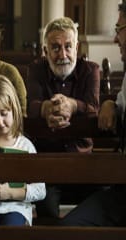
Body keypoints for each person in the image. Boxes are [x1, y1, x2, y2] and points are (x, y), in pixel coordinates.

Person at [60, 1, 126, 226]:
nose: (115, 39)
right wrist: (110, 105)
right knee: (68, 228)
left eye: (119, 30)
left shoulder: (91, 71)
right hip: (121, 192)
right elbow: (119, 102)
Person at [26, 17, 100, 219]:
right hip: (47, 164)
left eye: (68, 47)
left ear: (76, 47)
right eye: (56, 48)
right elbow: (30, 106)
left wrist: (73, 105)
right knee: (47, 215)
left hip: (82, 162)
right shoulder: (36, 69)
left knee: (94, 214)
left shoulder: (90, 70)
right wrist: (47, 109)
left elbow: (93, 108)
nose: (63, 54)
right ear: (45, 50)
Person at [0, 75, 45, 226]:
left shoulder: (26, 146)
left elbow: (40, 190)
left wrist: (11, 193)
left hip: (17, 206)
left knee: (11, 227)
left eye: (4, 114)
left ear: (14, 109)